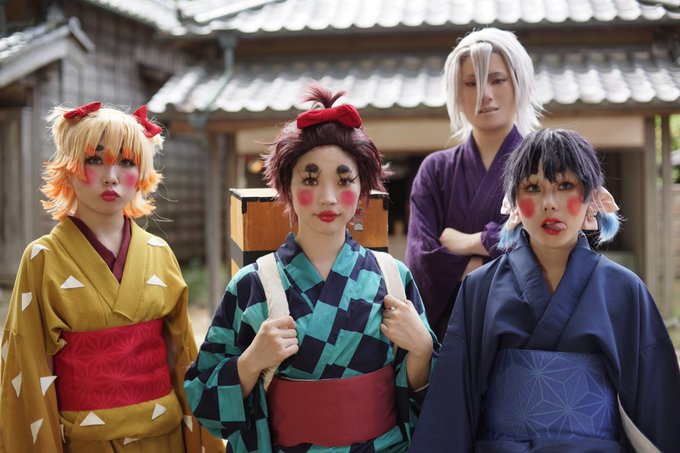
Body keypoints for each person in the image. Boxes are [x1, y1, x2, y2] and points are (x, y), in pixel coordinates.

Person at [184, 83, 439, 452]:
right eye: (310, 179)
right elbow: (203, 400)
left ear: (363, 190)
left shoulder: (393, 278)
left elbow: (429, 401)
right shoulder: (251, 284)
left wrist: (422, 350)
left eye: (344, 180)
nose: (328, 197)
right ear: (285, 187)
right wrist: (251, 362)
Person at [410, 128, 680, 452]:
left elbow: (659, 410)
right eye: (533, 188)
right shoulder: (478, 290)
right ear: (513, 204)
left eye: (565, 186)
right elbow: (452, 407)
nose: (550, 204)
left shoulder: (626, 291)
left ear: (592, 198)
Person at [0, 102, 223, 452]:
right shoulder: (42, 258)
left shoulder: (159, 253)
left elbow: (182, 359)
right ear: (68, 168)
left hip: (163, 435)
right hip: (85, 441)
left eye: (126, 162)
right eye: (94, 159)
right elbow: (26, 367)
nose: (111, 176)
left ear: (143, 172)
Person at [405, 27, 543, 338]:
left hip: (525, 333)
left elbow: (547, 250)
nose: (485, 94)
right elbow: (421, 262)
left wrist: (471, 241)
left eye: (497, 80)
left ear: (518, 83)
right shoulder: (435, 170)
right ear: (457, 92)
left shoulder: (543, 165)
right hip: (449, 331)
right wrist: (500, 248)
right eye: (471, 83)